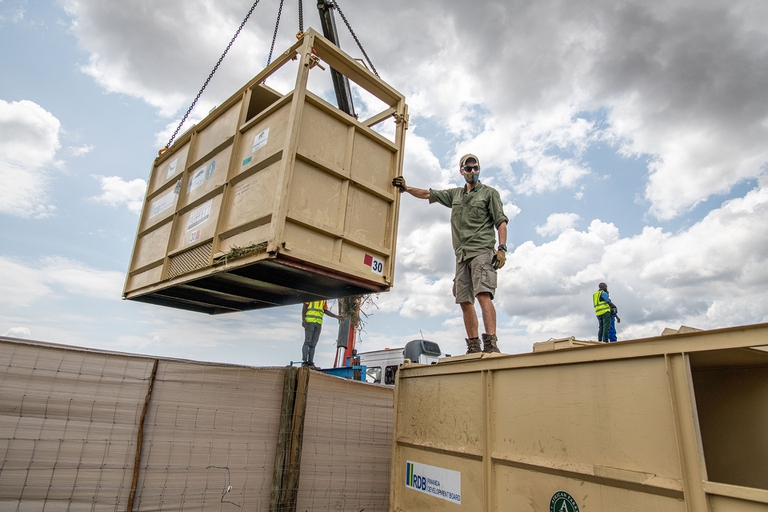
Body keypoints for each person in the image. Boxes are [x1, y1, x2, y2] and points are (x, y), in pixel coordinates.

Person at [392, 153, 509, 354]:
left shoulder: (489, 193)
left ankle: (491, 344)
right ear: (462, 171)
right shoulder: (455, 195)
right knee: (464, 300)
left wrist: (502, 249)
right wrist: (406, 188)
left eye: (476, 168)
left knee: (483, 294)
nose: (473, 171)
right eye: (469, 168)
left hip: (481, 250)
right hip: (462, 255)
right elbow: (429, 194)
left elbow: (501, 222)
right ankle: (474, 346)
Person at [301, 300, 343, 369]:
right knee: (307, 341)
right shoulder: (311, 297)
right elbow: (305, 306)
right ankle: (305, 362)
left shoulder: (324, 300)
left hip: (318, 323)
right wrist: (303, 319)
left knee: (313, 344)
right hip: (310, 321)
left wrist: (336, 316)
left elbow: (325, 310)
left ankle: (310, 362)